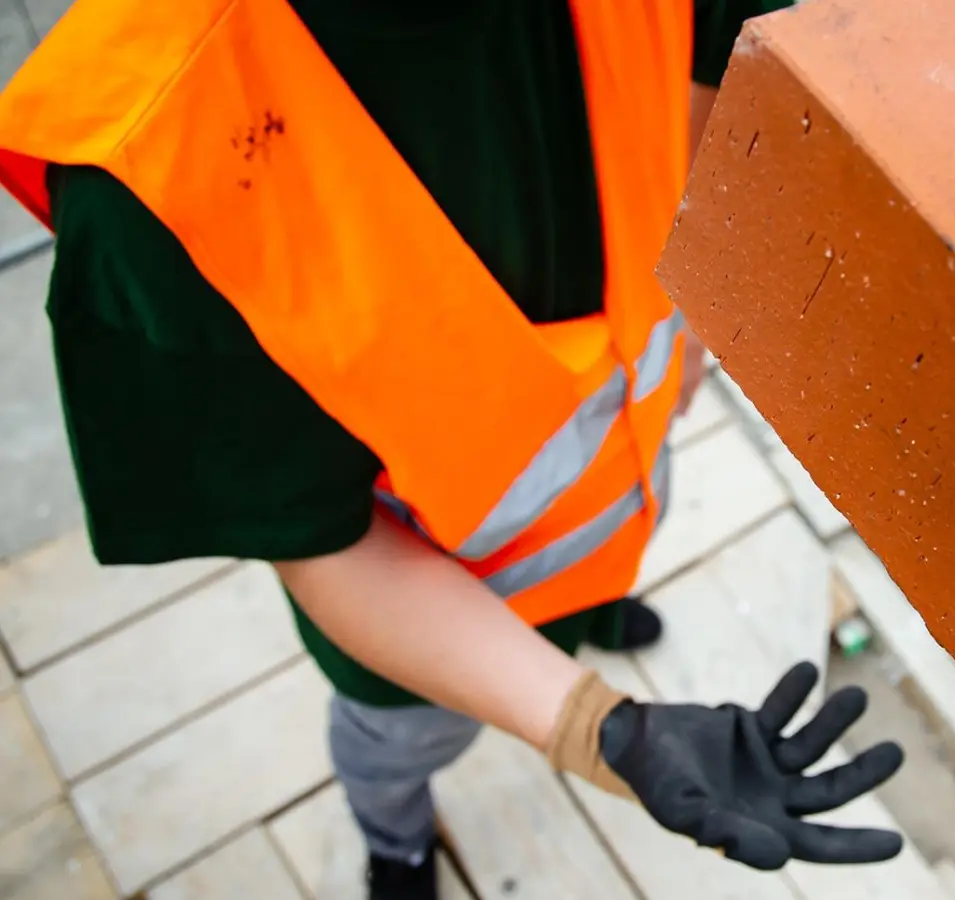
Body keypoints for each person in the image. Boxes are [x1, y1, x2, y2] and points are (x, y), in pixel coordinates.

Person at [0, 2, 906, 898]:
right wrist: (603, 731)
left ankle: (591, 613)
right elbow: (322, 540)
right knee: (398, 746)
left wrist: (696, 324)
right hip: (422, 635)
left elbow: (708, 107)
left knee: (604, 577)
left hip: (621, 482)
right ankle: (391, 834)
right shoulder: (162, 156)